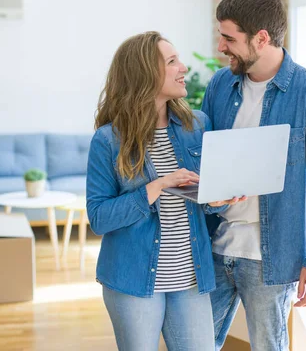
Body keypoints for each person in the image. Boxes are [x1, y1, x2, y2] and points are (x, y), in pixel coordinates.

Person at [201, 0, 306, 351]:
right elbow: (202, 160)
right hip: (216, 248)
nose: (221, 47)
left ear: (261, 38)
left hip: (272, 259)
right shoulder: (220, 85)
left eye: (229, 38)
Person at [86, 31, 244, 351]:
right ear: (144, 74)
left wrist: (216, 200)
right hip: (132, 281)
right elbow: (99, 218)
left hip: (190, 278)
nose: (183, 67)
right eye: (172, 61)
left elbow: (206, 203)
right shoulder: (108, 140)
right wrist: (156, 186)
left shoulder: (197, 126)